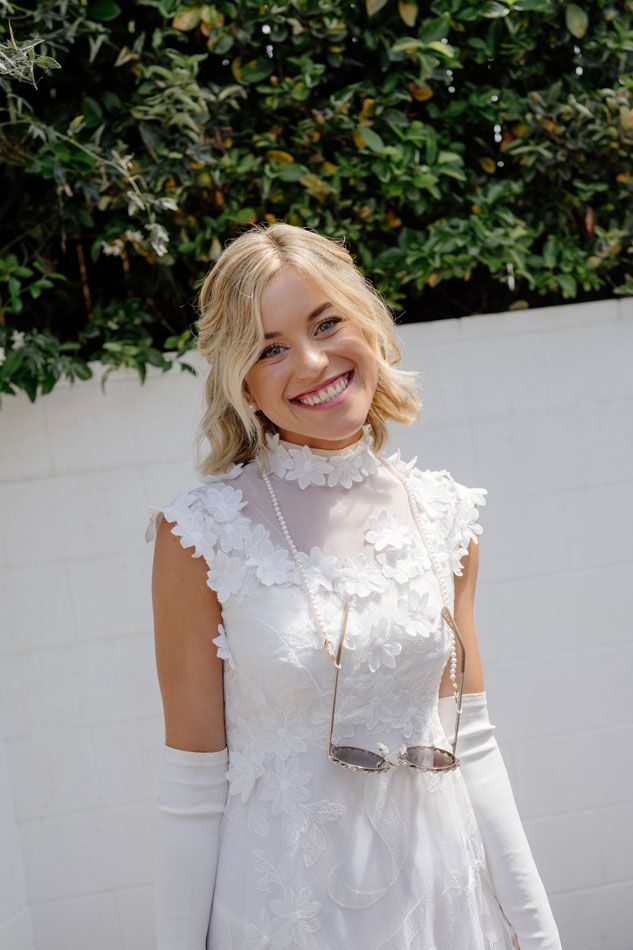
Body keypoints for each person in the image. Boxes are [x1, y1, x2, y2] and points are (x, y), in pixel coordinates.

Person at [146, 222, 562, 949]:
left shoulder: (446, 514)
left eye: (325, 322)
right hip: (288, 910)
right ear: (239, 380)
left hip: (442, 897)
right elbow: (192, 783)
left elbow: (472, 741)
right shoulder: (199, 534)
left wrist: (537, 931)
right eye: (269, 347)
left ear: (366, 322)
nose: (310, 361)